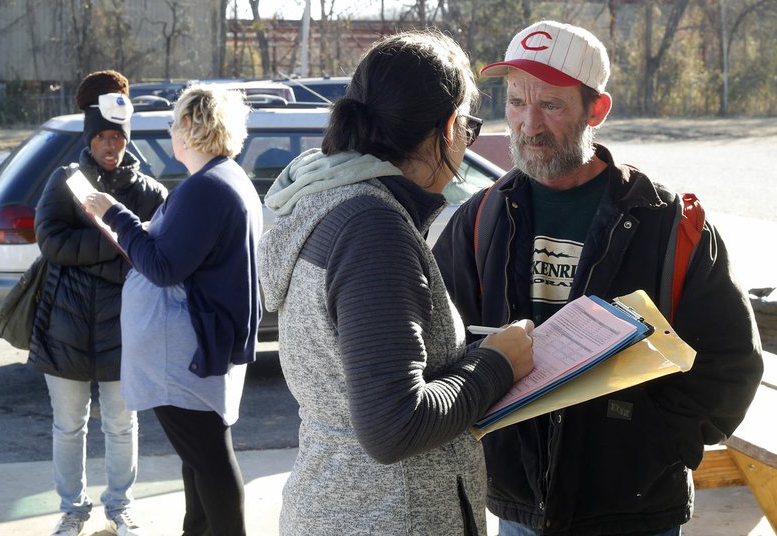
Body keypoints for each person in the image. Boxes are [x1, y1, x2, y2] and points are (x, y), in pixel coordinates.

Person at [432, 20, 764, 536]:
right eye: (516, 102)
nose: (527, 124)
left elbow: (732, 367)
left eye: (551, 105)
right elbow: (444, 353)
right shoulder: (479, 220)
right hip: (519, 509)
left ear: (597, 110)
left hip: (636, 513)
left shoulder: (668, 223)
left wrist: (651, 445)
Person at [256, 29, 536, 536]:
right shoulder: (372, 228)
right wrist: (498, 363)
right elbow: (394, 424)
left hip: (343, 507)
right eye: (468, 128)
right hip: (390, 515)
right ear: (448, 127)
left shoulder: (331, 203)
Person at [83, 85, 262, 536]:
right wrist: (139, 231)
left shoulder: (207, 188)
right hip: (196, 346)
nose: (169, 133)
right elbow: (179, 250)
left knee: (210, 461)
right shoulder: (225, 179)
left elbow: (162, 267)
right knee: (199, 461)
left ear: (189, 127)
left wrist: (116, 216)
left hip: (184, 353)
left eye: (172, 123)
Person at [29, 70, 168, 536]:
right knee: (68, 427)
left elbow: (158, 257)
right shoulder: (65, 182)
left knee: (121, 425)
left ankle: (119, 506)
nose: (111, 146)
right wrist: (118, 245)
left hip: (125, 330)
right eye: (103, 137)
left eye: (118, 137)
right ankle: (72, 510)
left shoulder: (149, 192)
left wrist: (93, 250)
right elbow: (50, 242)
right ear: (89, 139)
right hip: (63, 327)